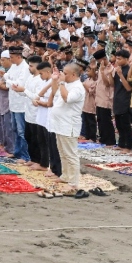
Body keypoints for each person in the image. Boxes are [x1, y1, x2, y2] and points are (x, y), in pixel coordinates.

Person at [48, 63, 87, 197]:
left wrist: (62, 83)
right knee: (62, 152)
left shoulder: (78, 87)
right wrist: (54, 80)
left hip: (69, 124)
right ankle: (65, 175)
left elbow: (67, 98)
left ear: (74, 75)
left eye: (64, 72)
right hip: (59, 124)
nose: (62, 74)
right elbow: (55, 93)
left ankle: (74, 181)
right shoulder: (65, 84)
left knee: (71, 154)